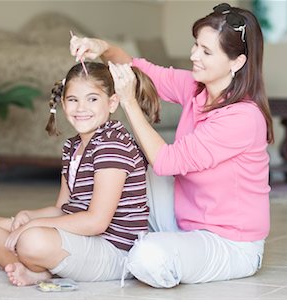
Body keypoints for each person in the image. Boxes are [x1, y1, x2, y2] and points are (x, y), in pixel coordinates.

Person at [70, 2, 274, 288]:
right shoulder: (196, 88)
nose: (193, 56)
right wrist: (100, 46)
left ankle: (133, 252)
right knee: (127, 166)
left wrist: (128, 101)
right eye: (195, 46)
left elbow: (166, 161)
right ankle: (108, 236)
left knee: (148, 257)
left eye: (206, 51)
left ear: (236, 62)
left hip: (230, 243)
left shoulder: (243, 117)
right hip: (183, 220)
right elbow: (137, 68)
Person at [0, 61, 160, 286]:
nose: (81, 108)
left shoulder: (113, 145)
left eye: (92, 99)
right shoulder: (72, 147)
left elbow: (96, 222)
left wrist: (35, 226)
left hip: (115, 251)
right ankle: (33, 269)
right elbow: (63, 209)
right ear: (64, 105)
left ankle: (42, 270)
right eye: (73, 100)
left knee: (31, 240)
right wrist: (31, 216)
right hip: (83, 237)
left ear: (112, 103)